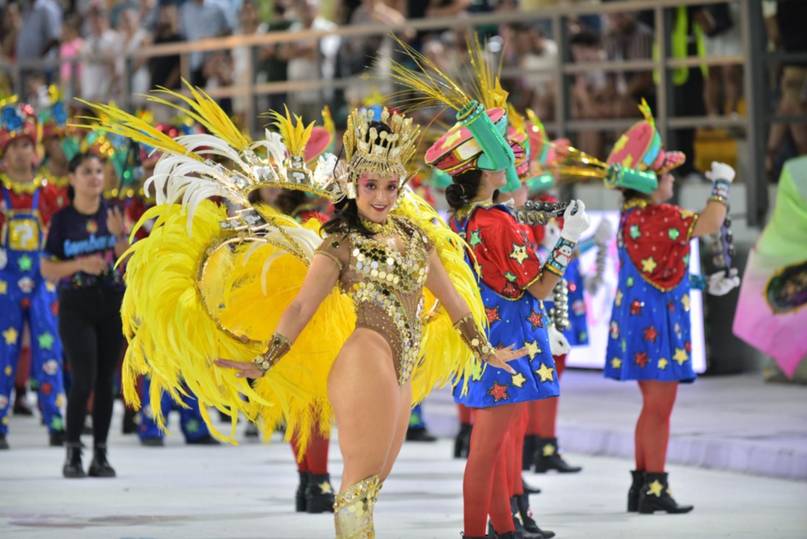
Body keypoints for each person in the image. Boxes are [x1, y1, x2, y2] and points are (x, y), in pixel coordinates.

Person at [84, 91, 511, 538]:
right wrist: (265, 359)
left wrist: (484, 350)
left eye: (390, 187)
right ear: (354, 184)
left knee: (373, 484)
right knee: (358, 486)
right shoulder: (340, 242)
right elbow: (302, 305)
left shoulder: (416, 237)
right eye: (370, 186)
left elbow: (453, 301)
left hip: (402, 365)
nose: (381, 197)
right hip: (365, 360)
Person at [603, 101, 736, 514]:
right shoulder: (659, 216)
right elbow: (711, 222)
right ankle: (654, 488)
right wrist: (721, 184)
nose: (673, 179)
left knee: (652, 407)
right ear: (648, 182)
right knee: (660, 410)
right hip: (657, 326)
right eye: (666, 174)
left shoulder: (633, 217)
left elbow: (657, 270)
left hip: (640, 321)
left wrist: (701, 282)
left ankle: (643, 485)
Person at [41, 152, 128, 478]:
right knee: (83, 378)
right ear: (72, 178)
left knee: (106, 380)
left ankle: (101, 454)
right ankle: (73, 452)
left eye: (99, 171)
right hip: (76, 305)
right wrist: (80, 264)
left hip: (111, 303)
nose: (95, 177)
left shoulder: (114, 213)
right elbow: (47, 269)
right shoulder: (62, 220)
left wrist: (120, 236)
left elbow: (127, 261)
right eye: (87, 171)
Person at [0, 99, 67, 450]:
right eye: (14, 146)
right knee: (3, 352)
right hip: (4, 283)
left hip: (43, 281)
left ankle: (55, 421)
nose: (21, 153)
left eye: (27, 145)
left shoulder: (48, 192)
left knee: (49, 349)